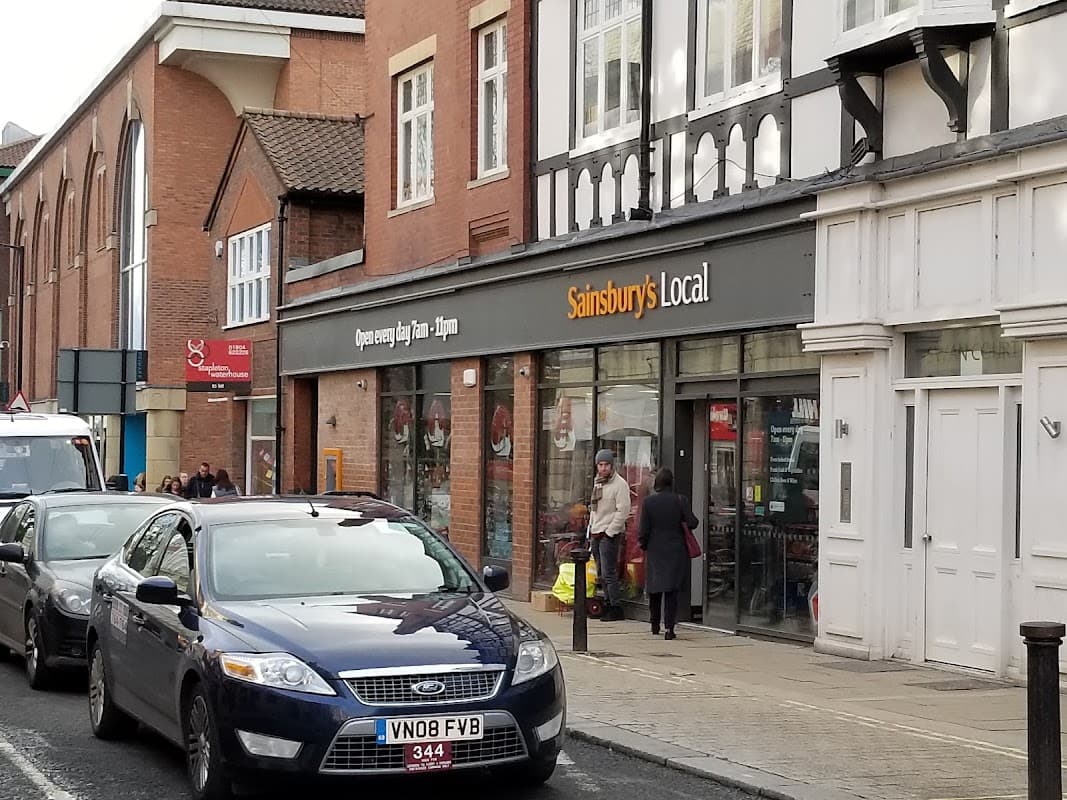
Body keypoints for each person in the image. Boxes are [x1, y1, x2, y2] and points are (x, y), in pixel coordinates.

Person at [638, 467, 698, 640]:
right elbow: (693, 522)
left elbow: (643, 529)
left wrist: (644, 544)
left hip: (655, 549)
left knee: (655, 589)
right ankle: (670, 628)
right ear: (672, 483)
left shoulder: (649, 503)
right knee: (671, 591)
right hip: (676, 550)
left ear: (657, 483)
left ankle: (654, 624)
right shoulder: (681, 500)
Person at [588, 449, 630, 622]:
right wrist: (591, 528)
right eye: (600, 465)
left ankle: (615, 607)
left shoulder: (619, 485)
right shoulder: (598, 482)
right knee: (600, 572)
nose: (603, 468)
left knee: (608, 572)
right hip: (596, 532)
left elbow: (623, 511)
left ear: (612, 466)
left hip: (609, 534)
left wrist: (610, 531)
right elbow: (595, 508)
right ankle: (606, 602)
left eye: (606, 465)